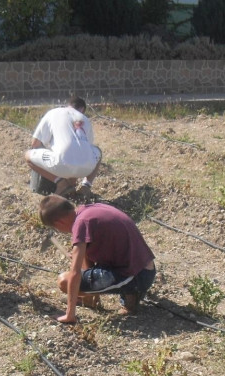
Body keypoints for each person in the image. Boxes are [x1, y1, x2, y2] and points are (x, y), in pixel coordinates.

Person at [37, 195, 156, 324]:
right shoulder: (88, 211)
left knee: (64, 281)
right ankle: (91, 299)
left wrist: (69, 315)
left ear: (59, 223)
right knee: (84, 255)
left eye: (56, 228)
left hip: (137, 276)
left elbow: (75, 274)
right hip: (144, 267)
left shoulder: (81, 224)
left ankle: (130, 295)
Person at [26, 96, 102, 199]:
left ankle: (61, 184)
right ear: (81, 110)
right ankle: (86, 186)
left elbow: (35, 143)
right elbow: (83, 150)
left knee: (28, 156)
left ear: (68, 105)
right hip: (86, 169)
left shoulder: (53, 113)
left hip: (60, 165)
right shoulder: (85, 119)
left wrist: (48, 157)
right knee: (98, 152)